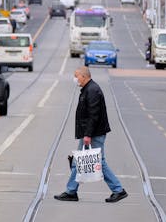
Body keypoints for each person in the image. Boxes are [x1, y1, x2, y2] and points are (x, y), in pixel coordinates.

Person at [54, 67, 128, 203]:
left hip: (94, 133)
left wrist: (87, 135)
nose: (75, 79)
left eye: (76, 76)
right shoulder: (88, 89)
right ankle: (71, 191)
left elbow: (94, 115)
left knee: (98, 161)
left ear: (84, 76)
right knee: (78, 161)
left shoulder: (92, 90)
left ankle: (118, 190)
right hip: (89, 132)